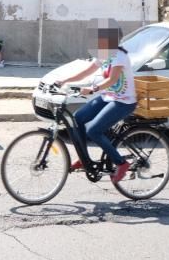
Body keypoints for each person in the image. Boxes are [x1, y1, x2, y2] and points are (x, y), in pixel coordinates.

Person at [53, 25, 137, 184]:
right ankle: (84, 159)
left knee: (94, 131)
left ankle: (121, 163)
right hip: (108, 97)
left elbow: (112, 80)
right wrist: (64, 81)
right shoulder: (104, 55)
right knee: (78, 118)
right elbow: (87, 71)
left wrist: (92, 89)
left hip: (123, 102)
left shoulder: (120, 56)